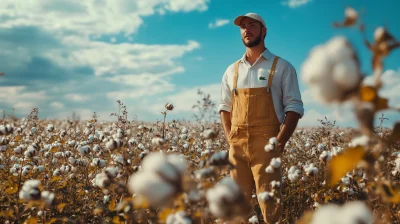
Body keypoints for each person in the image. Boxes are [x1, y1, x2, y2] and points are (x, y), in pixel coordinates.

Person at [218, 13, 304, 223]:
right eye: (243, 26)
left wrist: (280, 142)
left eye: (252, 25)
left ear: (264, 30)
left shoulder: (282, 67)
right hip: (236, 146)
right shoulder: (231, 70)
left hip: (267, 146)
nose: (247, 29)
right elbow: (224, 107)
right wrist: (230, 137)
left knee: (270, 202)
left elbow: (294, 107)